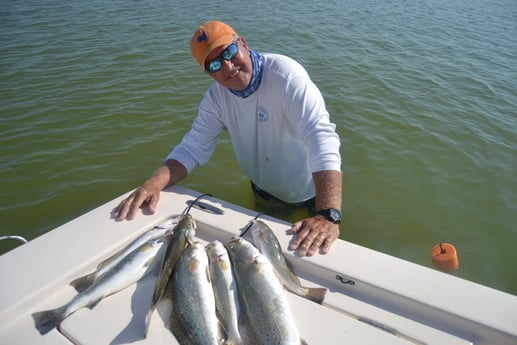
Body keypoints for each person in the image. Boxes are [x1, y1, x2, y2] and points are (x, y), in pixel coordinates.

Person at [114, 21, 342, 257]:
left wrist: (328, 215)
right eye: (214, 64)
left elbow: (321, 138)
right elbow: (192, 148)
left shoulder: (285, 76)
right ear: (207, 73)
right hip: (264, 191)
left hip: (311, 194)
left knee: (311, 252)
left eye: (229, 52)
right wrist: (154, 184)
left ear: (242, 43)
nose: (228, 66)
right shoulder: (216, 99)